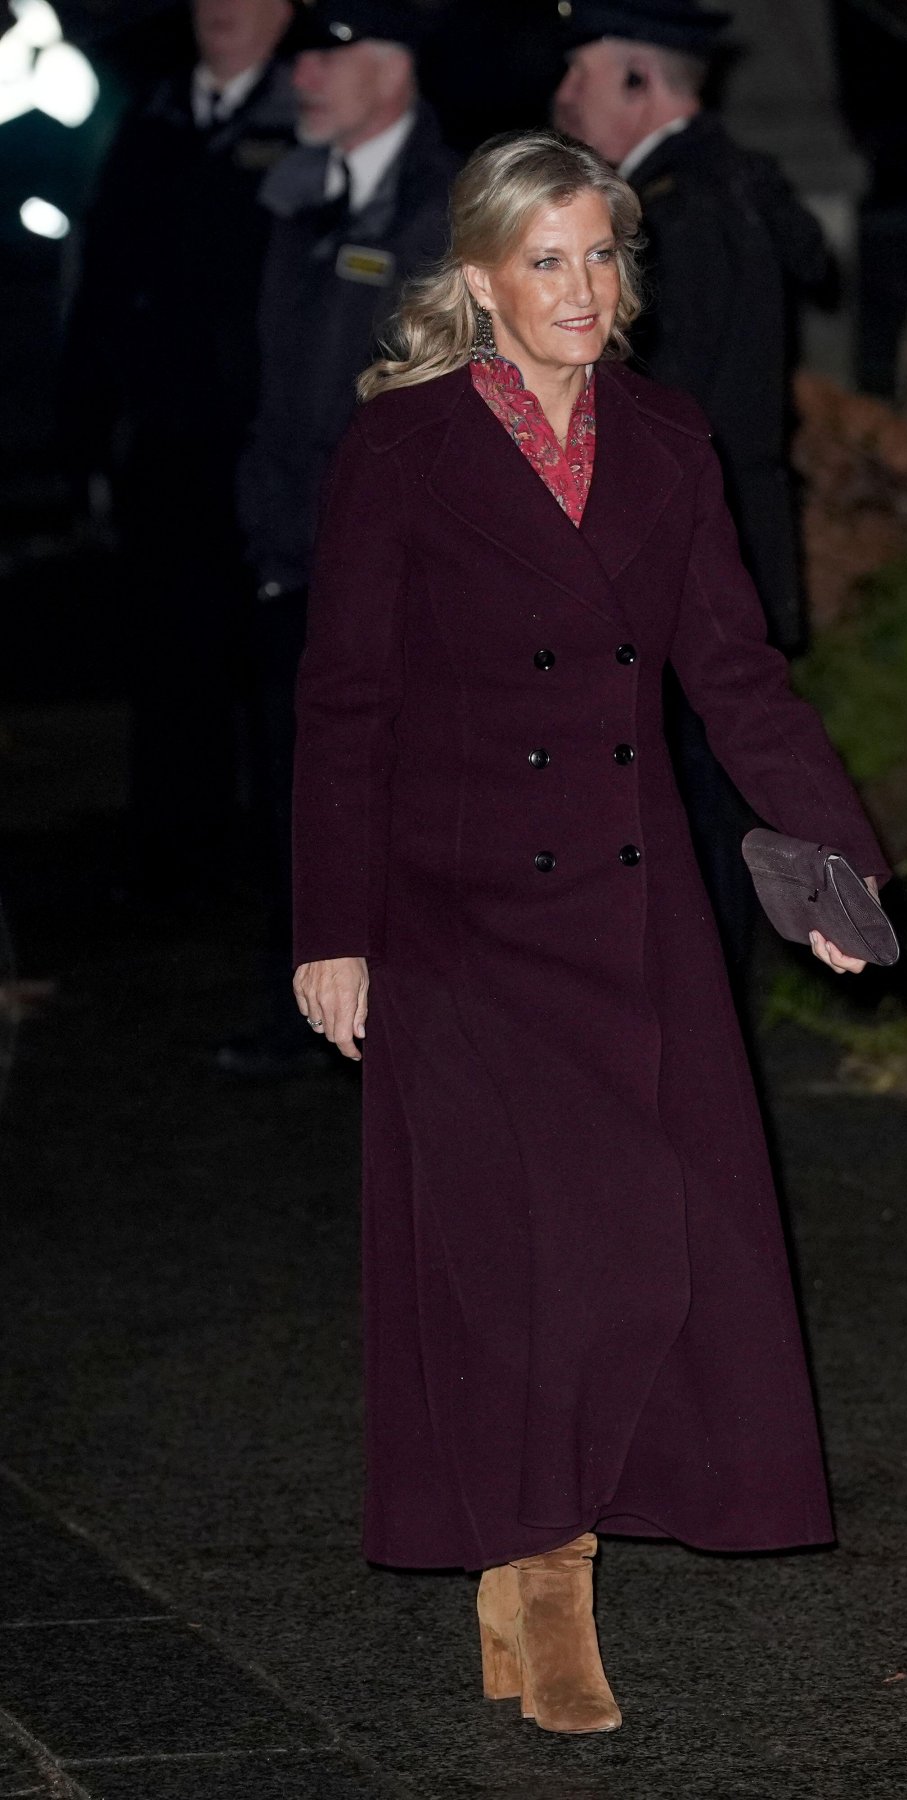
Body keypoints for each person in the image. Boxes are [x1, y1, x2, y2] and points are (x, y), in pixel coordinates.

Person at [289, 129, 889, 1734]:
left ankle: (536, 1554)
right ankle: (545, 1576)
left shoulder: (671, 439)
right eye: (545, 260)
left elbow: (737, 675)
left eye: (601, 255)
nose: (581, 287)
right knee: (513, 1260)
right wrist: (331, 928)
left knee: (654, 1241)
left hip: (629, 907)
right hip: (455, 915)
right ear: (482, 283)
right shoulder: (403, 447)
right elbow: (345, 704)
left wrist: (833, 859)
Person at [555, 0, 837, 965]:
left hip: (688, 561)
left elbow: (662, 408)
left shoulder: (674, 212)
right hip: (721, 546)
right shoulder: (730, 181)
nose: (564, 97)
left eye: (583, 75)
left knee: (695, 813)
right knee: (702, 803)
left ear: (641, 81)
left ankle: (696, 1016)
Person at [224, 0, 459, 1077]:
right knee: (301, 788)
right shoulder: (299, 193)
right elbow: (276, 385)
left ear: (392, 66)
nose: (301, 77)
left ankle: (421, 1019)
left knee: (410, 799)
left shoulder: (454, 211)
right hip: (295, 558)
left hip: (405, 574)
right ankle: (309, 1012)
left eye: (327, 55)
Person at [64, 0, 296, 899]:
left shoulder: (310, 115)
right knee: (170, 654)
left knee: (280, 661)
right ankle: (175, 863)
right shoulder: (153, 117)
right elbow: (101, 279)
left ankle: (283, 865)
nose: (223, 9)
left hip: (272, 442)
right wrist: (88, 426)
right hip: (169, 441)